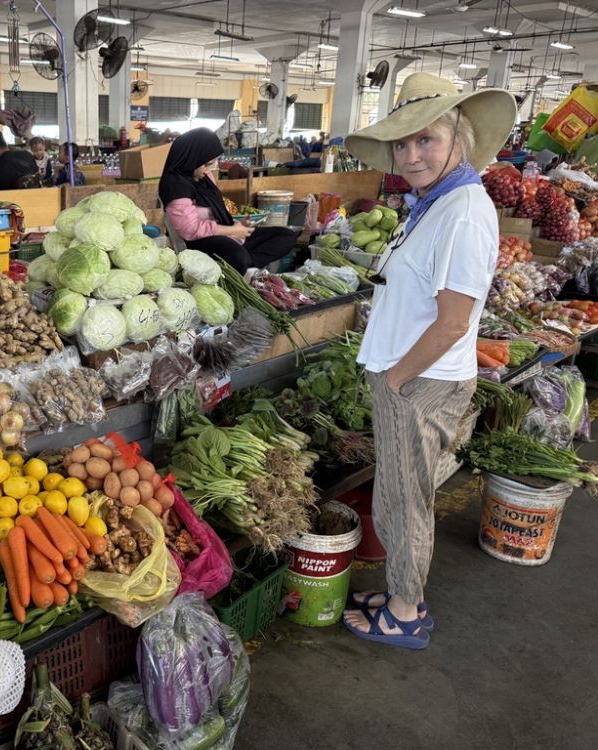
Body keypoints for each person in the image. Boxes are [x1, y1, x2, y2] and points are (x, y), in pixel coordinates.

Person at [340, 72, 516, 649]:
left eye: (427, 140)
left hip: (420, 382)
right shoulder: (437, 202)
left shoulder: (464, 212)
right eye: (402, 142)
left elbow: (453, 323)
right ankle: (397, 591)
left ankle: (405, 611)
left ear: (458, 140)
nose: (411, 155)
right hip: (410, 378)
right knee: (397, 494)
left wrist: (395, 380)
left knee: (405, 501)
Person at [158, 128, 297, 274]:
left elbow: (217, 204)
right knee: (237, 256)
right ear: (190, 159)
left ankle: (243, 264)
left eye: (211, 164)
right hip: (200, 242)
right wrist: (233, 230)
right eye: (206, 165)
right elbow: (190, 230)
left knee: (285, 236)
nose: (208, 170)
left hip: (224, 233)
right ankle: (241, 263)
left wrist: (238, 223)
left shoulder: (204, 177)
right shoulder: (175, 187)